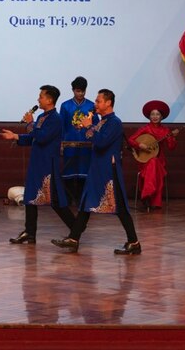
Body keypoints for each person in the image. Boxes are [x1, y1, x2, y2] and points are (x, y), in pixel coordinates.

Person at [51, 89, 141, 255]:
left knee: (119, 206)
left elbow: (100, 142)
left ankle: (134, 242)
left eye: (98, 101)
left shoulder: (114, 122)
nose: (95, 104)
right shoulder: (102, 121)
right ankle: (73, 238)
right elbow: (93, 137)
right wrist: (85, 127)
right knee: (86, 203)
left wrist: (89, 126)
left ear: (108, 103)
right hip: (97, 167)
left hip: (108, 170)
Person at [0, 85, 75, 244]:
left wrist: (29, 124)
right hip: (37, 163)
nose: (38, 99)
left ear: (49, 100)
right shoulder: (42, 117)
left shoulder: (56, 118)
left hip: (48, 164)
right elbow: (33, 137)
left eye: (41, 96)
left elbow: (41, 137)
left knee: (55, 201)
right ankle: (30, 232)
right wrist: (15, 136)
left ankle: (76, 230)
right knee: (30, 198)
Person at [127, 100, 179, 210]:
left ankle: (147, 195)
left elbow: (171, 147)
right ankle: (152, 199)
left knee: (154, 162)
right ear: (149, 116)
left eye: (157, 114)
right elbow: (130, 140)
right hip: (144, 162)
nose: (155, 116)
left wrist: (172, 137)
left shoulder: (165, 130)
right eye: (152, 114)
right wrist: (140, 145)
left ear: (161, 116)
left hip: (159, 162)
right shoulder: (145, 129)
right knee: (152, 162)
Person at [59, 76, 96, 204]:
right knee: (69, 172)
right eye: (77, 91)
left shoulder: (92, 106)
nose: (80, 94)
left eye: (82, 91)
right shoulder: (65, 106)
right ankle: (68, 199)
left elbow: (95, 125)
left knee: (84, 172)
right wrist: (61, 144)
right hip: (69, 144)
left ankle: (82, 199)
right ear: (73, 90)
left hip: (86, 145)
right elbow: (62, 126)